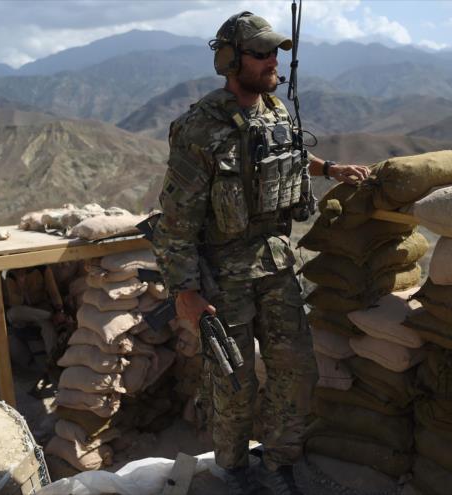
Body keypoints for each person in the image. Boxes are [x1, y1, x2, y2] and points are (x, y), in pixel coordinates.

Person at [151, 11, 370, 495]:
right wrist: (184, 290)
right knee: (233, 382)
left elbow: (284, 156)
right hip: (222, 277)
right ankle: (231, 470)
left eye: (276, 52)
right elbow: (176, 219)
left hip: (275, 265)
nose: (273, 60)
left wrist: (329, 168)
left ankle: (279, 466)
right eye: (261, 53)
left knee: (296, 370)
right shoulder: (199, 128)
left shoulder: (276, 110)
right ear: (230, 61)